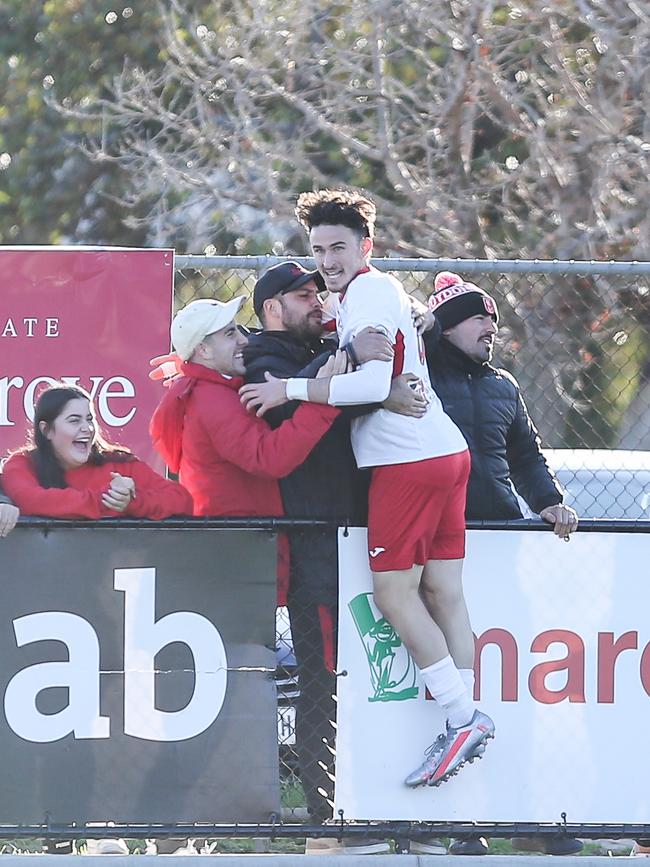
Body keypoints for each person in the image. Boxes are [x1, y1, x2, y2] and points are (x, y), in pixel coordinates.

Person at [239, 189, 496, 794]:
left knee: (393, 595)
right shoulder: (368, 293)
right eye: (318, 249)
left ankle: (462, 718)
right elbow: (380, 349)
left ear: (366, 246)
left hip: (407, 459)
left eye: (338, 247)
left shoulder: (369, 294)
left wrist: (289, 393)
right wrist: (392, 331)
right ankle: (465, 717)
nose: (327, 260)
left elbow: (375, 379)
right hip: (443, 450)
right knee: (444, 593)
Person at [244, 261, 425, 854]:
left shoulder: (325, 347)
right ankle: (329, 818)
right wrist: (368, 380)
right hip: (315, 546)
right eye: (302, 296)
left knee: (371, 677)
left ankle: (376, 807)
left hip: (360, 538)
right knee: (325, 678)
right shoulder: (264, 362)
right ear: (273, 308)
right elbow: (314, 415)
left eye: (320, 294)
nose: (317, 303)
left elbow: (352, 389)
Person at [423, 271, 579, 857]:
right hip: (442, 546)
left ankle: (532, 817)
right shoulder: (419, 376)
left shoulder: (503, 386)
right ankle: (462, 821)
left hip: (503, 538)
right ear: (446, 325)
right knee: (457, 687)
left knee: (513, 686)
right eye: (476, 318)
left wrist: (551, 503)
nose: (491, 326)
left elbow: (527, 457)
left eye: (493, 318)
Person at [2, 384, 193, 521]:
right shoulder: (22, 464)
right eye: (74, 420)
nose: (87, 428)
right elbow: (31, 501)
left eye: (89, 419)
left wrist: (133, 502)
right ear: (47, 430)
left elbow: (181, 500)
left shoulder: (120, 465)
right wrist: (106, 500)